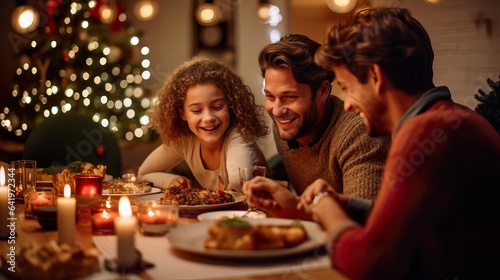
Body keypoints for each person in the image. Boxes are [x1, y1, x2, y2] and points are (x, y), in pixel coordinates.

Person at [244, 7, 500, 279]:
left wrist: (327, 208)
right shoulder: (445, 119)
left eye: (349, 87)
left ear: (375, 77)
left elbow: (369, 265)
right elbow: (401, 224)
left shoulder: (427, 133)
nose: (349, 104)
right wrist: (318, 206)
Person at [253, 33, 390, 217]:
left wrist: (295, 209)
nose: (277, 110)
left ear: (322, 91)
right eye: (270, 96)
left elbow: (366, 227)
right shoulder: (285, 124)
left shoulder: (359, 132)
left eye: (290, 97)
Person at [138, 57, 270, 191]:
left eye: (218, 107)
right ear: (183, 114)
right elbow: (144, 173)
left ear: (230, 106)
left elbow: (238, 181)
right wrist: (170, 181)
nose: (208, 118)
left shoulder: (239, 135)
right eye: (196, 110)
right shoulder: (185, 141)